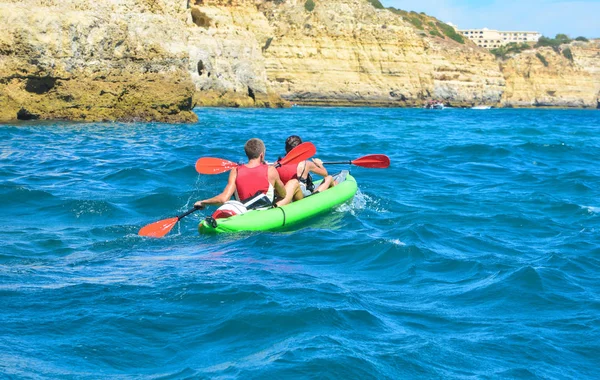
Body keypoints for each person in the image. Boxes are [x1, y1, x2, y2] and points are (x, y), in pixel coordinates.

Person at [194, 138, 288, 210]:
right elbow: (283, 194)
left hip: (243, 211)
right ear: (262, 155)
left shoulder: (235, 171)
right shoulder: (271, 170)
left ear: (247, 154)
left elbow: (223, 199)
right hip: (265, 212)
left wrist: (203, 202)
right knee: (292, 185)